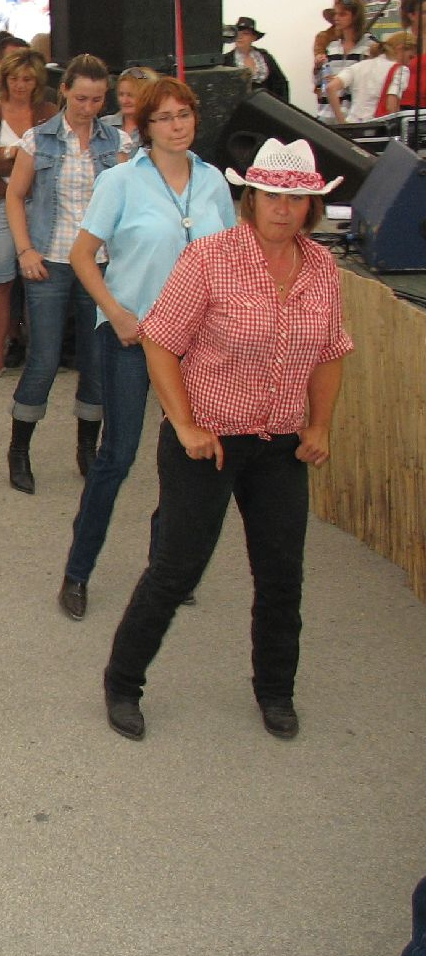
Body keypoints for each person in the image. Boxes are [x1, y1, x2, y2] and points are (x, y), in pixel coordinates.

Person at [102, 138, 352, 743]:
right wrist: (185, 423)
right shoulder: (209, 258)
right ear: (249, 198)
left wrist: (318, 425)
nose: (283, 209)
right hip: (207, 441)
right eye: (271, 196)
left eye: (296, 199)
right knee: (177, 569)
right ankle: (122, 682)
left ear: (311, 207)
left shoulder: (321, 269)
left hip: (280, 444)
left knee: (281, 574)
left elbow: (329, 353)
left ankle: (275, 691)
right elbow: (160, 340)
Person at [56, 77, 235, 621]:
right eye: (166, 117)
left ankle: (166, 569)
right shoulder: (120, 182)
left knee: (187, 457)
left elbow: (227, 259)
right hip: (133, 335)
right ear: (144, 126)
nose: (178, 125)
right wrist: (115, 311)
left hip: (198, 342)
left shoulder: (213, 183)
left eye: (185, 115)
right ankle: (78, 571)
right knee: (118, 456)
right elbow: (84, 255)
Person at [3, 53, 121, 495]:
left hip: (101, 263)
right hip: (50, 260)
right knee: (45, 359)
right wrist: (25, 249)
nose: (88, 107)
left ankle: (87, 450)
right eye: (81, 98)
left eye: (97, 99)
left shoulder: (117, 142)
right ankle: (19, 450)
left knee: (96, 361)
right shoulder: (40, 140)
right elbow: (15, 197)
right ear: (64, 92)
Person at [0, 49, 55, 378]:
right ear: (4, 79)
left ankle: (39, 353)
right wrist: (26, 152)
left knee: (38, 279)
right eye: (14, 78)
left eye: (27, 79)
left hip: (38, 204)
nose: (20, 85)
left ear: (37, 82)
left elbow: (50, 158)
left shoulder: (48, 111)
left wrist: (10, 151)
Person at [313, 0, 380, 122]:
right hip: (327, 114)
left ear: (355, 17)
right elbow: (321, 84)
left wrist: (342, 81)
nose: (337, 18)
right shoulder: (332, 47)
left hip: (355, 116)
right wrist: (318, 69)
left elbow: (372, 84)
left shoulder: (370, 46)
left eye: (342, 14)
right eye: (336, 14)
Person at [223, 16, 290, 101]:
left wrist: (281, 108)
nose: (240, 37)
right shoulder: (226, 60)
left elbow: (281, 83)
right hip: (239, 108)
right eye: (238, 33)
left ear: (253, 37)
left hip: (265, 106)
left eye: (245, 34)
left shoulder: (264, 57)